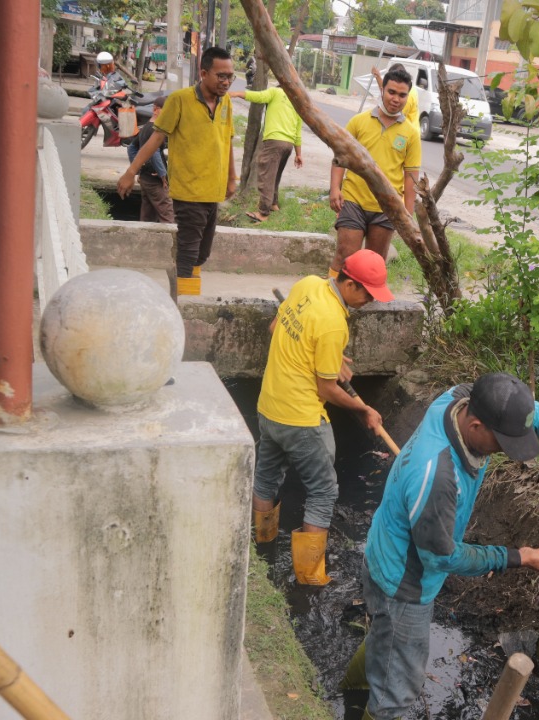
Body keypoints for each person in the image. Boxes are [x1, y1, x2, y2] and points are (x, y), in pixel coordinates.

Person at [343, 372, 539, 720]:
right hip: (403, 583)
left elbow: (531, 412)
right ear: (476, 425)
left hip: (384, 542)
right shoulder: (438, 477)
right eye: (502, 441)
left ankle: (350, 694)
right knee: (399, 690)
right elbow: (444, 557)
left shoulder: (456, 398)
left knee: (385, 637)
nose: (507, 451)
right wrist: (517, 557)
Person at [252, 249, 393, 586]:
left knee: (267, 475)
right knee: (323, 491)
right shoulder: (333, 323)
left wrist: (325, 355)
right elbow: (327, 390)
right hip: (302, 420)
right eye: (369, 295)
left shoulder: (308, 284)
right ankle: (310, 578)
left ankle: (261, 549)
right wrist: (363, 410)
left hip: (269, 406)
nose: (370, 302)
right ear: (351, 284)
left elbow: (277, 329)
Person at [118, 46, 237, 297]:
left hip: (212, 191)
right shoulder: (180, 100)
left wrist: (231, 178)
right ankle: (185, 304)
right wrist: (131, 172)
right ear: (204, 73)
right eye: (221, 76)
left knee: (202, 253)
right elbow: (155, 138)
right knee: (189, 251)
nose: (226, 82)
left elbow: (228, 142)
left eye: (230, 76)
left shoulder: (225, 103)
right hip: (189, 189)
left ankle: (181, 293)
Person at [329, 65, 421, 273]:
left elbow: (411, 176)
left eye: (402, 95)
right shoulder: (359, 122)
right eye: (391, 92)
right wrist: (335, 188)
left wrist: (406, 214)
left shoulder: (411, 134)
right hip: (353, 200)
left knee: (374, 265)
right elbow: (339, 158)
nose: (396, 99)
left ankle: (363, 304)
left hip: (387, 207)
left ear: (407, 97)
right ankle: (331, 302)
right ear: (382, 90)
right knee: (345, 255)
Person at [227, 84, 305, 223]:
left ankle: (263, 213)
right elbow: (298, 132)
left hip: (274, 141)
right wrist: (298, 154)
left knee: (266, 177)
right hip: (288, 145)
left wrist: (237, 93)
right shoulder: (296, 102)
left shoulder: (275, 92)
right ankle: (274, 204)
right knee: (275, 175)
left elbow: (258, 96)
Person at [125, 95, 174, 224]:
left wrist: (139, 170)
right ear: (155, 110)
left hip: (146, 178)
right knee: (168, 215)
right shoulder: (155, 130)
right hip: (156, 180)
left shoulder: (146, 127)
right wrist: (163, 175)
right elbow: (154, 152)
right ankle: (173, 243)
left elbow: (131, 148)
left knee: (148, 216)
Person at [371, 64, 419, 129]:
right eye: (392, 92)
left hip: (404, 134)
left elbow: (395, 115)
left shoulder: (408, 94)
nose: (396, 99)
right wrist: (378, 77)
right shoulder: (403, 89)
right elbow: (386, 90)